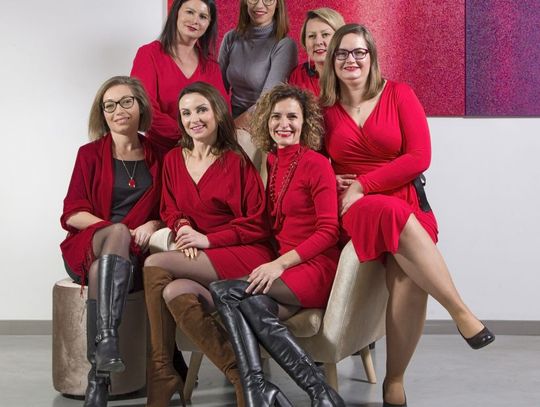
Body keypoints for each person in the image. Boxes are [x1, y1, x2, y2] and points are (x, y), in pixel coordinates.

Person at [320, 24, 495, 406]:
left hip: (407, 203)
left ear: (372, 57)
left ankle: (394, 380)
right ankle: (461, 312)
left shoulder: (400, 94)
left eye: (359, 52)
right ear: (332, 61)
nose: (351, 60)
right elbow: (311, 165)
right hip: (356, 208)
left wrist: (363, 182)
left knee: (410, 279)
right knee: (384, 208)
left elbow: (419, 157)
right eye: (342, 53)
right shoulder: (324, 110)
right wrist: (337, 181)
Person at [209, 84, 346, 407]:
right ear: (266, 121)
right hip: (286, 269)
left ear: (305, 122)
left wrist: (279, 264)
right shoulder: (271, 161)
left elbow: (329, 231)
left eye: (292, 117)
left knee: (225, 291)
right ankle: (318, 395)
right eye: (276, 116)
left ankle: (259, 389)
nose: (284, 124)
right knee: (254, 305)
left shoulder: (317, 164)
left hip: (314, 267)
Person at [142, 81, 275, 407]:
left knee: (154, 263)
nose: (194, 119)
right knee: (174, 292)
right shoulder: (173, 159)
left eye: (201, 110)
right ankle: (241, 375)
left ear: (217, 113)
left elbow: (257, 223)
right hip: (198, 255)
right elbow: (169, 208)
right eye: (186, 113)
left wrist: (208, 239)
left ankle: (161, 371)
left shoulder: (236, 160)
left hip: (243, 252)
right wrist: (183, 226)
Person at [60, 76, 163, 407]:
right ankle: (105, 348)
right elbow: (73, 213)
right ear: (102, 114)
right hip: (88, 245)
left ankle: (99, 379)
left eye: (126, 102)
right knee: (116, 233)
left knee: (103, 266)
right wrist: (116, 230)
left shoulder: (160, 155)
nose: (118, 110)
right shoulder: (89, 154)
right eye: (109, 105)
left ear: (140, 106)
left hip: (134, 255)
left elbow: (170, 208)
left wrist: (153, 223)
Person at [131, 0, 228, 154]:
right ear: (176, 13)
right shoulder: (149, 54)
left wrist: (202, 141)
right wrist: (189, 135)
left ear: (209, 24)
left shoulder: (210, 64)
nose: (195, 20)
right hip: (162, 151)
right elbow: (145, 108)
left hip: (205, 151)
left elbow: (223, 110)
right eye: (190, 12)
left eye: (203, 16)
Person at [219, 0, 297, 129]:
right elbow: (218, 90)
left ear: (278, 4)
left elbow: (266, 102)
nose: (259, 5)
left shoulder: (284, 45)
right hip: (230, 118)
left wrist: (228, 131)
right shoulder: (231, 38)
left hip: (262, 122)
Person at [288, 7, 345, 96]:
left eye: (325, 34)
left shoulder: (351, 73)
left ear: (341, 38)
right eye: (311, 36)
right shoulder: (298, 75)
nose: (318, 42)